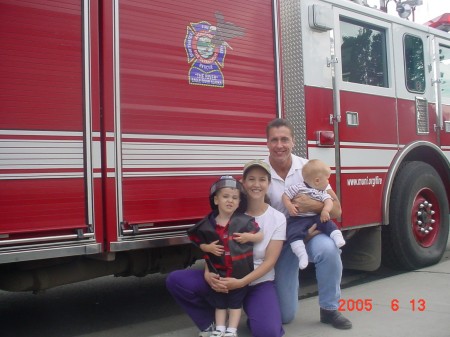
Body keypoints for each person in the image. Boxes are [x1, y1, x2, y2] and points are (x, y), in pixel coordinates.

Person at [166, 160, 286, 337]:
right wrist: (208, 274)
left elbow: (269, 262)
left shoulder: (277, 218)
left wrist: (240, 283)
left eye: (262, 179)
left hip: (256, 283)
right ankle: (211, 324)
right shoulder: (227, 209)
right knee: (176, 280)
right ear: (243, 184)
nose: (256, 184)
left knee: (268, 332)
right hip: (224, 277)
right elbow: (213, 247)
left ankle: (254, 315)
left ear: (269, 184)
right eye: (251, 179)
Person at [266, 118, 352, 329]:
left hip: (312, 232)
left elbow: (337, 210)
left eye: (284, 139)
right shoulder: (260, 172)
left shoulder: (309, 167)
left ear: (293, 141)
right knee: (285, 316)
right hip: (281, 242)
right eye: (274, 140)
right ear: (267, 143)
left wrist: (313, 207)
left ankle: (329, 309)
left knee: (330, 249)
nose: (279, 145)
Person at [187, 175, 263, 337]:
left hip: (239, 274)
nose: (230, 201)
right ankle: (220, 328)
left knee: (235, 304)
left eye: (235, 198)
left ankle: (232, 330)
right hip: (218, 274)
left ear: (239, 202)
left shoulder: (245, 221)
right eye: (226, 197)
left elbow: (260, 235)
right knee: (219, 304)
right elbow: (194, 239)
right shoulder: (208, 224)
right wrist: (206, 247)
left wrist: (249, 237)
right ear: (216, 200)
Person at [282, 159, 345, 269]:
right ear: (317, 180)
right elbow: (285, 196)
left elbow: (330, 202)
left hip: (315, 217)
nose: (328, 182)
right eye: (327, 179)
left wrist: (325, 211)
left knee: (327, 223)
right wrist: (290, 206)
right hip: (298, 219)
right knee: (294, 233)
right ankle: (302, 255)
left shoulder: (321, 191)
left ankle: (337, 236)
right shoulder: (298, 187)